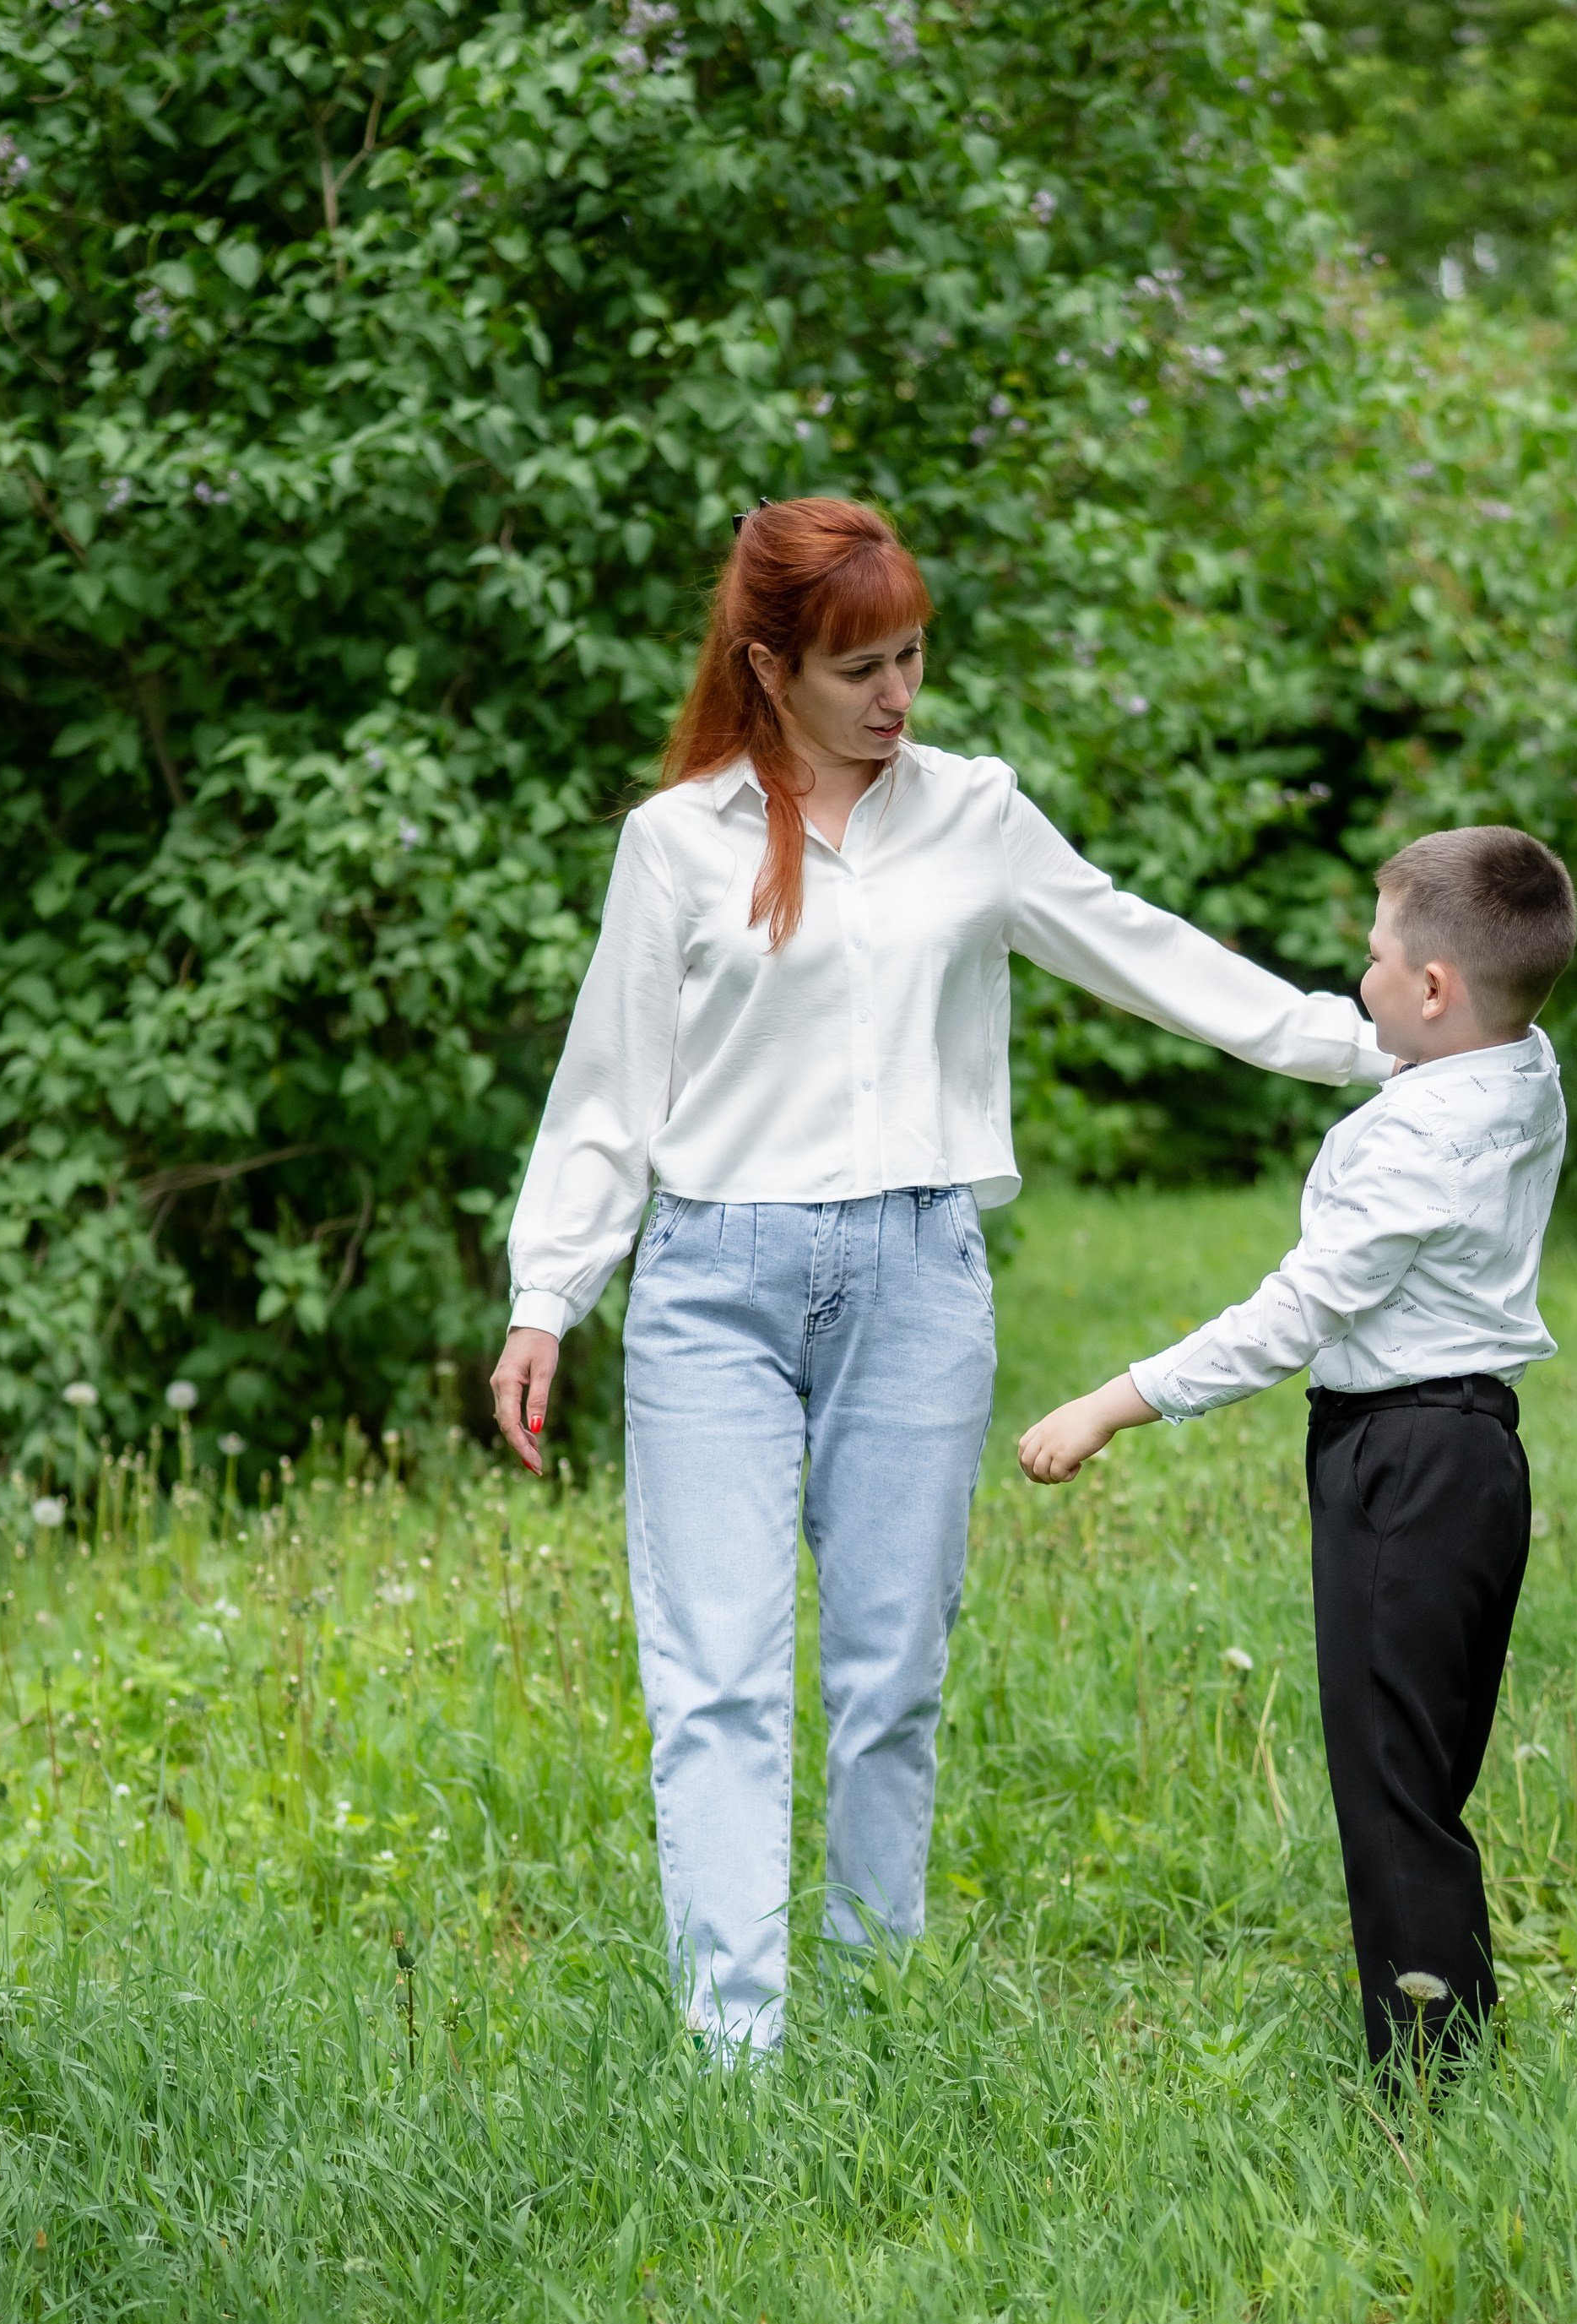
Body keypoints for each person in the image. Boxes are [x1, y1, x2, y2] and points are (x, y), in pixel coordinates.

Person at [492, 496, 1392, 2058]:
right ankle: (733, 2061)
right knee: (716, 1682)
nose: (897, 696)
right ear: (770, 667)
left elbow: (1151, 953)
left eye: (911, 658)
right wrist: (546, 1292)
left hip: (917, 1277)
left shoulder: (976, 815)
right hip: (713, 1284)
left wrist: (1373, 1047)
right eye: (859, 670)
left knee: (891, 1671)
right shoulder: (678, 841)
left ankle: (882, 2007)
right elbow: (607, 1089)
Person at [1018, 826, 1576, 2077]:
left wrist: (1115, 1401)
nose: (1361, 978)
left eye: (1376, 956)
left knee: (1389, 1783)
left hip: (1402, 1461)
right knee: (1422, 1767)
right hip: (1483, 1454)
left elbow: (1296, 1313)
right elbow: (1440, 1028)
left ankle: (1429, 2077)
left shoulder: (1410, 1139)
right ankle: (1449, 2036)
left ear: (1433, 991)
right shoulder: (1525, 1068)